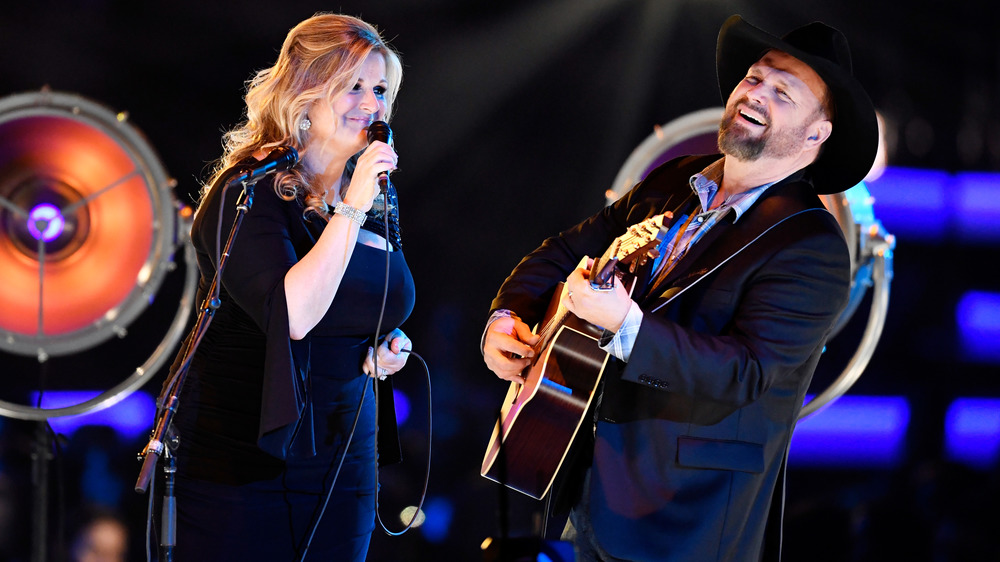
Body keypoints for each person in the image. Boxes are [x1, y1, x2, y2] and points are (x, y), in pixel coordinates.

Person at [482, 14, 878, 562]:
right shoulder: (676, 179)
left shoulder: (811, 243)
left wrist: (626, 325)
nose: (754, 93)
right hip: (579, 475)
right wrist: (508, 318)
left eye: (782, 92)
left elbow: (746, 371)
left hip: (682, 519)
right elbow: (565, 252)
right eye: (754, 77)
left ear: (816, 134)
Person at [168, 13, 415, 561]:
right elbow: (294, 314)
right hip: (247, 463)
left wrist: (384, 345)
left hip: (344, 458)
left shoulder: (365, 199)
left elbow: (364, 305)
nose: (372, 105)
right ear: (306, 90)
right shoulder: (249, 189)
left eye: (380, 89)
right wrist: (352, 206)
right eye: (353, 86)